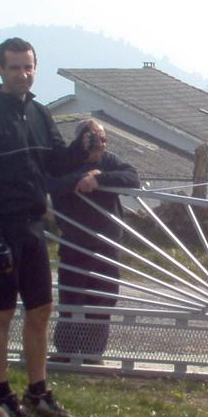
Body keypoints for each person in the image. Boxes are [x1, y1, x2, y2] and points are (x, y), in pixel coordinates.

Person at [0, 37, 91, 417]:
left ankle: (37, 391)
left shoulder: (39, 114)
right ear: (0, 70)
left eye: (28, 67)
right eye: (14, 67)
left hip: (33, 225)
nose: (22, 74)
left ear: (35, 68)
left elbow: (55, 163)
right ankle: (2, 394)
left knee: (40, 310)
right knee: (0, 313)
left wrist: (83, 147)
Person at [50, 119, 139, 362]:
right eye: (94, 138)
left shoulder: (110, 161)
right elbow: (52, 183)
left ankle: (92, 354)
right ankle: (66, 352)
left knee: (102, 299)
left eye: (103, 139)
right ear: (81, 140)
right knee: (71, 296)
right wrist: (79, 179)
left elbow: (132, 177)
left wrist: (101, 179)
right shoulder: (67, 161)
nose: (101, 144)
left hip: (106, 243)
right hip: (74, 241)